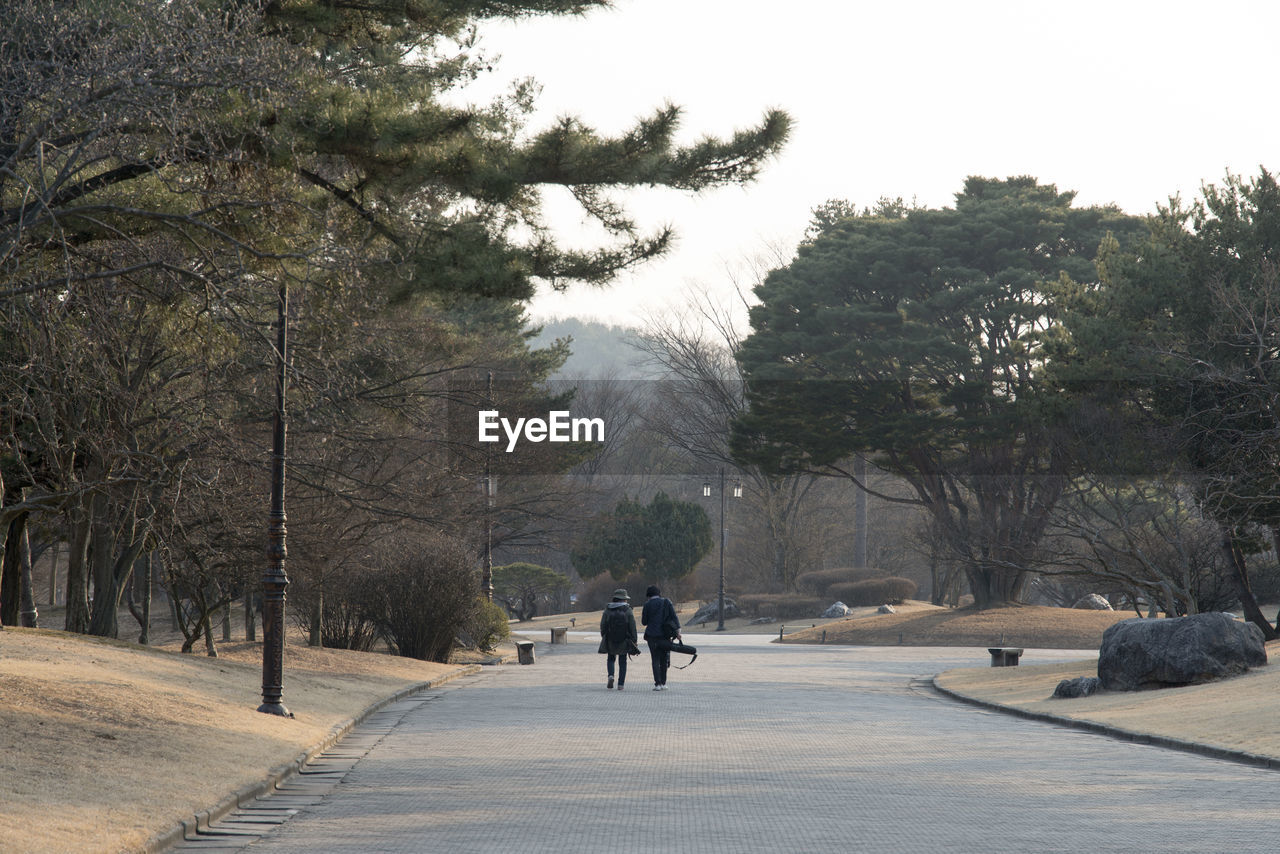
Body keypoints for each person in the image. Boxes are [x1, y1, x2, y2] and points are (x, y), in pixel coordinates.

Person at [641, 584, 680, 690]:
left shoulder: (647, 605)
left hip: (652, 636)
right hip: (665, 635)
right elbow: (674, 617)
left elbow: (644, 622)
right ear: (659, 593)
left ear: (648, 595)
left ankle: (657, 684)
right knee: (664, 659)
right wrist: (678, 631)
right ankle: (663, 683)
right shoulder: (666, 602)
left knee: (655, 659)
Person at [598, 588, 637, 690]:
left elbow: (603, 624)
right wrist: (634, 639)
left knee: (611, 658)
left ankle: (611, 675)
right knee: (623, 661)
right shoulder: (628, 610)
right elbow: (632, 626)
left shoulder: (608, 609)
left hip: (610, 638)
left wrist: (604, 635)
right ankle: (621, 684)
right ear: (624, 599)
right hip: (624, 639)